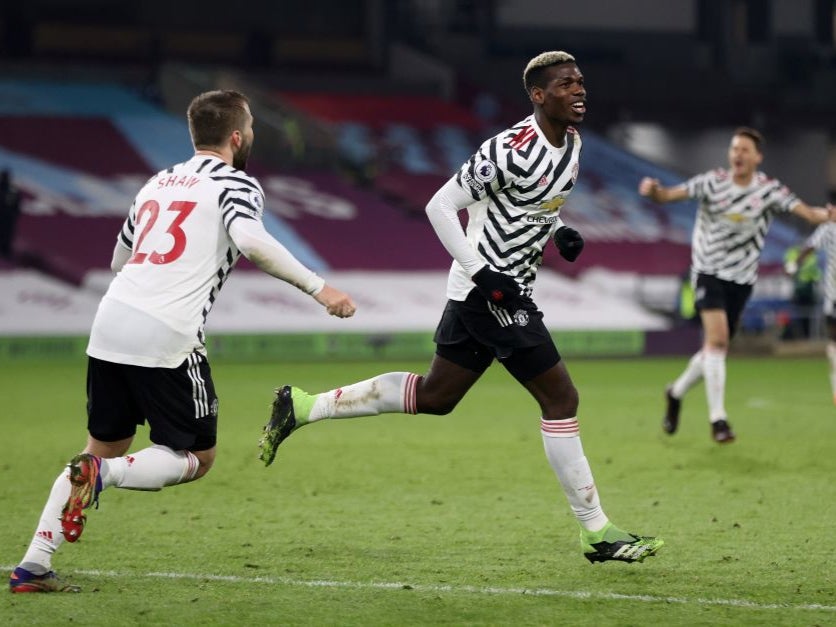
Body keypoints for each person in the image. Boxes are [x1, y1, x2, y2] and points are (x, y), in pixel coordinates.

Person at [258, 51, 664, 565]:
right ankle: (596, 531)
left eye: (581, 82)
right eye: (565, 84)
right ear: (538, 96)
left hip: (499, 290)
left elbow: (536, 203)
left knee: (436, 396)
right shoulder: (508, 149)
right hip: (490, 294)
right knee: (561, 399)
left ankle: (303, 406)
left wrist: (561, 231)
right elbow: (440, 206)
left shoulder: (573, 144)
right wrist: (485, 272)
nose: (579, 91)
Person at [9, 90, 357, 593]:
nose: (253, 135)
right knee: (195, 457)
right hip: (166, 332)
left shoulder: (156, 182)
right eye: (252, 127)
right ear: (237, 136)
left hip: (110, 322)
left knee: (102, 447)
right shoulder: (235, 183)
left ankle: (33, 565)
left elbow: (118, 259)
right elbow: (254, 241)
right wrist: (320, 289)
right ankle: (101, 478)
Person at [638, 127, 836, 443]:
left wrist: (825, 215)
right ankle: (719, 419)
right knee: (716, 343)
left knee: (714, 350)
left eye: (745, 150)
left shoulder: (769, 191)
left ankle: (675, 392)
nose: (738, 154)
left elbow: (808, 213)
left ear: (758, 157)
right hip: (707, 272)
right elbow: (669, 195)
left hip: (741, 280)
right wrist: (653, 191)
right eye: (734, 149)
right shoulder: (712, 182)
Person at [785, 222, 836, 402]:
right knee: (833, 339)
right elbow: (810, 246)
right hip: (833, 295)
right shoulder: (829, 229)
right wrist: (794, 264)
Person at [781, 243, 821, 339]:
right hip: (796, 290)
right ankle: (795, 335)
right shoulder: (791, 253)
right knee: (796, 314)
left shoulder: (812, 256)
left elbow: (816, 274)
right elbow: (787, 271)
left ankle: (808, 336)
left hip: (809, 289)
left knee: (808, 315)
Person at [0, 168, 22, 258]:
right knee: (6, 234)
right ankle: (5, 250)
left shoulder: (12, 191)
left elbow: (16, 205)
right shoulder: (12, 191)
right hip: (8, 218)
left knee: (6, 234)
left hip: (7, 217)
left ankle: (5, 251)